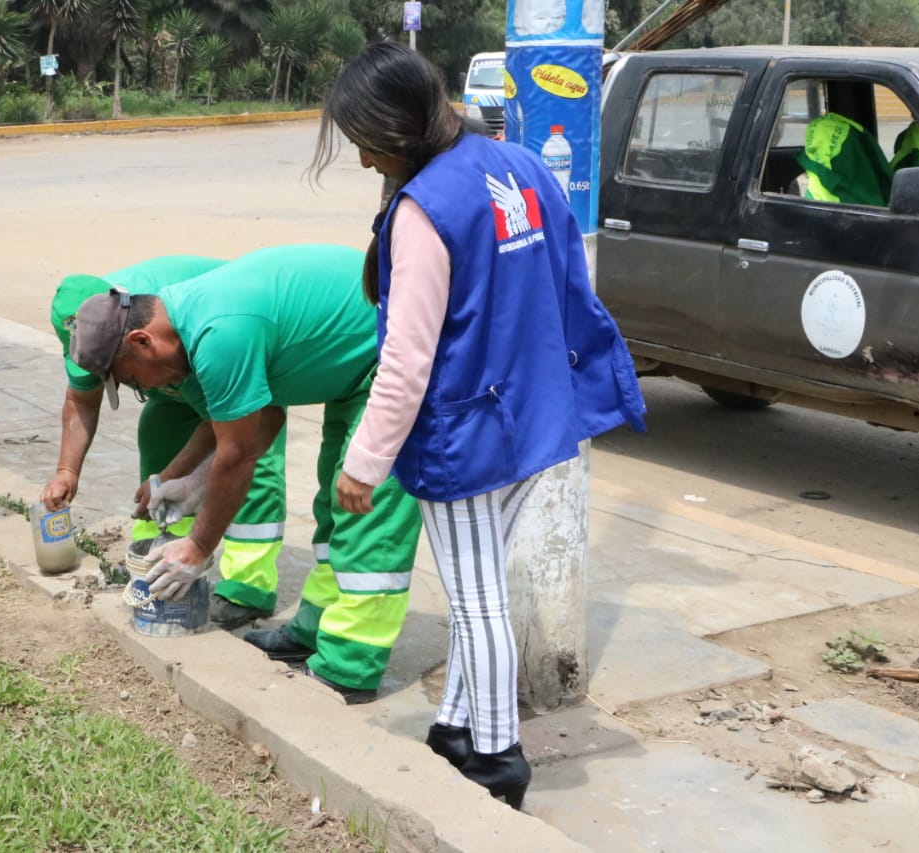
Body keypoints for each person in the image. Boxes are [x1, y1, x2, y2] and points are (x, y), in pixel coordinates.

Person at [309, 42, 647, 809]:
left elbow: (404, 361)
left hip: (467, 435)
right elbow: (567, 289)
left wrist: (363, 462)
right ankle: (458, 725)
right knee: (481, 585)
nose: (362, 161)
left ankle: (497, 758)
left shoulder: (428, 208)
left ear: (397, 132)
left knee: (477, 603)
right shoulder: (521, 166)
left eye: (363, 142)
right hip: (535, 421)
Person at [66, 243, 423, 704]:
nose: (141, 389)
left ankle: (350, 666)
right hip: (348, 373)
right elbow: (262, 417)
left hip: (391, 362)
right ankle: (315, 629)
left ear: (141, 341)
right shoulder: (181, 330)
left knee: (366, 514)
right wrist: (184, 479)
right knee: (333, 507)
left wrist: (199, 546)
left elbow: (239, 455)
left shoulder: (218, 334)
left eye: (131, 378)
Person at [42, 255, 288, 629]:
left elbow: (237, 440)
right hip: (169, 376)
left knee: (241, 459)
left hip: (224, 357)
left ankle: (247, 585)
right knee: (159, 439)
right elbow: (81, 400)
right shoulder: (91, 327)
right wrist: (66, 471)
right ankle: (155, 561)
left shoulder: (157, 313)